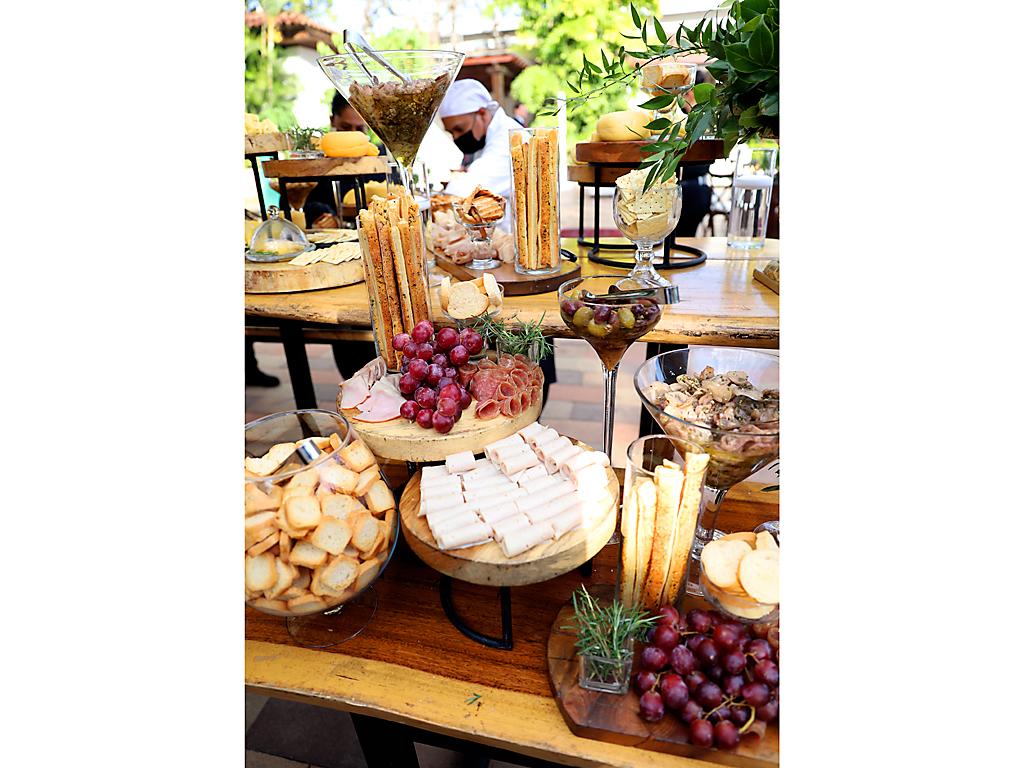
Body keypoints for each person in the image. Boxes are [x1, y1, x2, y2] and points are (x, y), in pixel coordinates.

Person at [304, 93, 384, 229]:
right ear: (332, 120)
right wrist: (325, 215)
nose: (353, 135)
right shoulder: (318, 162)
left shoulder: (378, 160)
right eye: (345, 127)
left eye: (359, 129)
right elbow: (301, 202)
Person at [438, 79, 522, 202]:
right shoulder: (485, 136)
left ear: (482, 113)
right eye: (451, 132)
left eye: (459, 129)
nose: (456, 137)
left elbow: (469, 188)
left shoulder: (510, 137)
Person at [673, 68, 714, 237]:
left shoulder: (700, 120)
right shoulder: (706, 118)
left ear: (689, 92)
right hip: (697, 189)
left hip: (690, 191)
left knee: (680, 240)